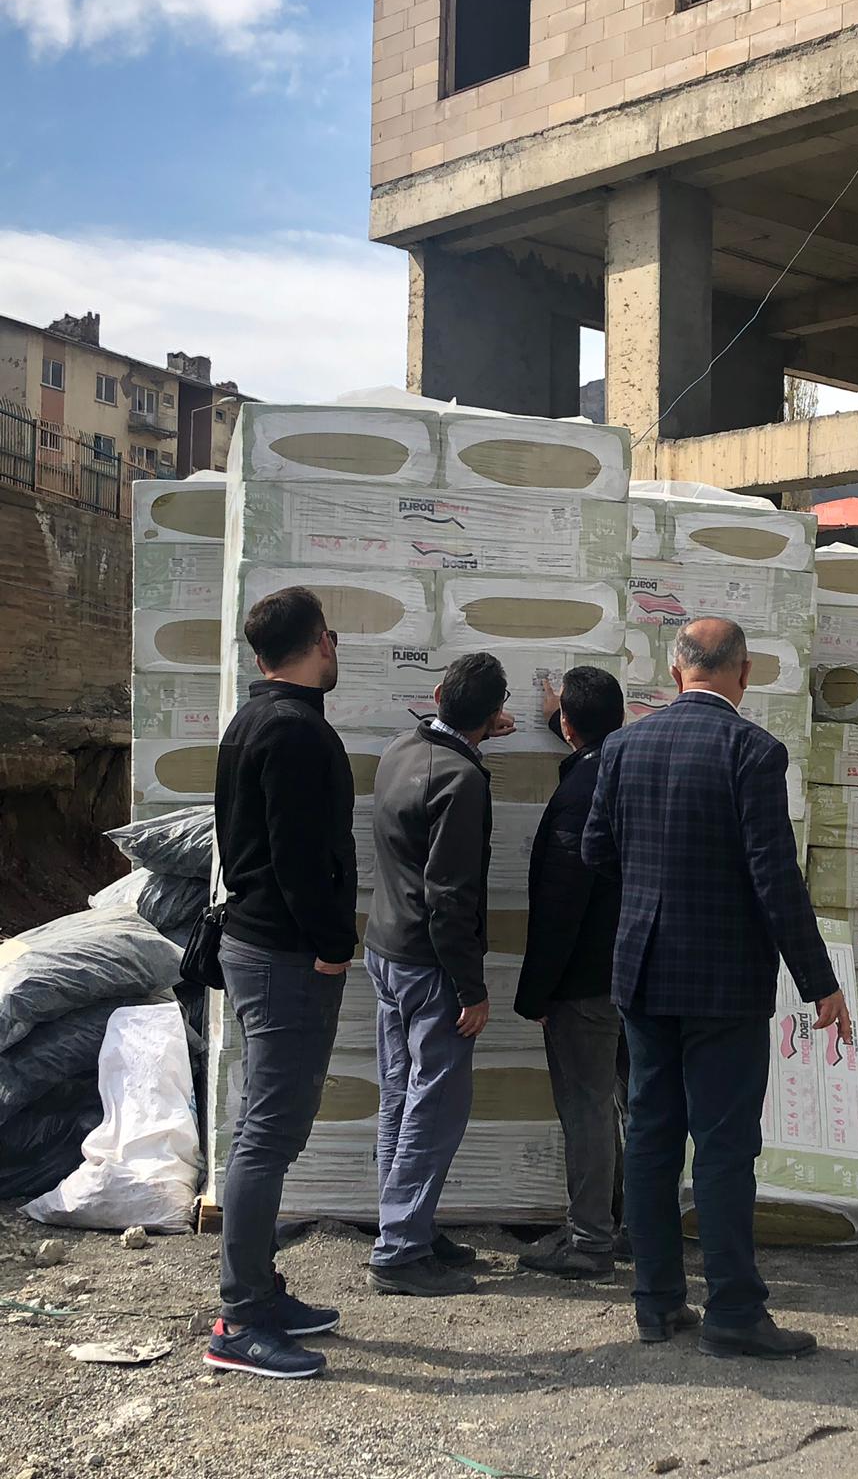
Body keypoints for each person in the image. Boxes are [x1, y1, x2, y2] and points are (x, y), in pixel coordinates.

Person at [582, 617, 851, 1361]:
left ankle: (657, 1303)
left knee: (652, 1139)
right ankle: (733, 1310)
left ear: (676, 672)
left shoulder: (624, 746)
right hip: (723, 981)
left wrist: (649, 894)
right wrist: (819, 981)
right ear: (746, 672)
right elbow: (774, 875)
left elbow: (594, 849)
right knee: (727, 1147)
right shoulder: (753, 751)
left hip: (641, 972)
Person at [205, 586, 356, 1381]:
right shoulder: (296, 732)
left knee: (271, 1128)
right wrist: (333, 943)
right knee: (268, 1135)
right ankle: (241, 1317)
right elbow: (299, 858)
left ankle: (260, 1288)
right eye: (333, 637)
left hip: (261, 945)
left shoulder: (254, 720)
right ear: (318, 643)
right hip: (286, 953)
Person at [364, 652, 513, 1298]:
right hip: (432, 965)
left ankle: (408, 1226)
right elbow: (450, 893)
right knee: (436, 1105)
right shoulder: (464, 780)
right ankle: (399, 1251)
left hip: (386, 950)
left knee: (402, 1092)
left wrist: (475, 734)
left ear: (436, 695)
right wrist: (471, 989)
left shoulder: (402, 749)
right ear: (492, 712)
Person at [515, 666, 626, 1281]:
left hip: (586, 981)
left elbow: (562, 902)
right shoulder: (631, 769)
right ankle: (630, 1225)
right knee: (633, 1104)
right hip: (640, 975)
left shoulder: (578, 794)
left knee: (585, 1107)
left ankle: (588, 1241)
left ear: (565, 723)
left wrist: (535, 991)